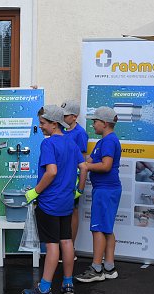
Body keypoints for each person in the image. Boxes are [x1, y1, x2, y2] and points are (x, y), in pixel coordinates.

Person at [21, 105, 87, 294]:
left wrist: (35, 191)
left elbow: (51, 172)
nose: (40, 126)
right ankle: (68, 284)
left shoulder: (48, 144)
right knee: (66, 241)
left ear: (53, 123)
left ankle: (44, 289)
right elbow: (83, 167)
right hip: (66, 201)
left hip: (49, 203)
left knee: (52, 246)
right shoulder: (71, 142)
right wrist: (79, 191)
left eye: (42, 123)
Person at [75, 106, 122, 283]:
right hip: (107, 189)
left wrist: (86, 167)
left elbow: (106, 166)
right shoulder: (104, 141)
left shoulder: (109, 141)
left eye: (95, 121)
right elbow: (90, 159)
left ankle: (96, 269)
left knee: (98, 229)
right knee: (107, 228)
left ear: (105, 123)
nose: (93, 124)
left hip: (105, 190)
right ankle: (109, 267)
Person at [61, 100, 89, 252]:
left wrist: (79, 183)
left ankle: (71, 247)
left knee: (73, 210)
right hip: (60, 177)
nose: (62, 118)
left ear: (74, 117)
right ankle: (62, 247)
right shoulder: (61, 129)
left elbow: (83, 159)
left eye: (65, 116)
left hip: (73, 178)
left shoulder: (80, 133)